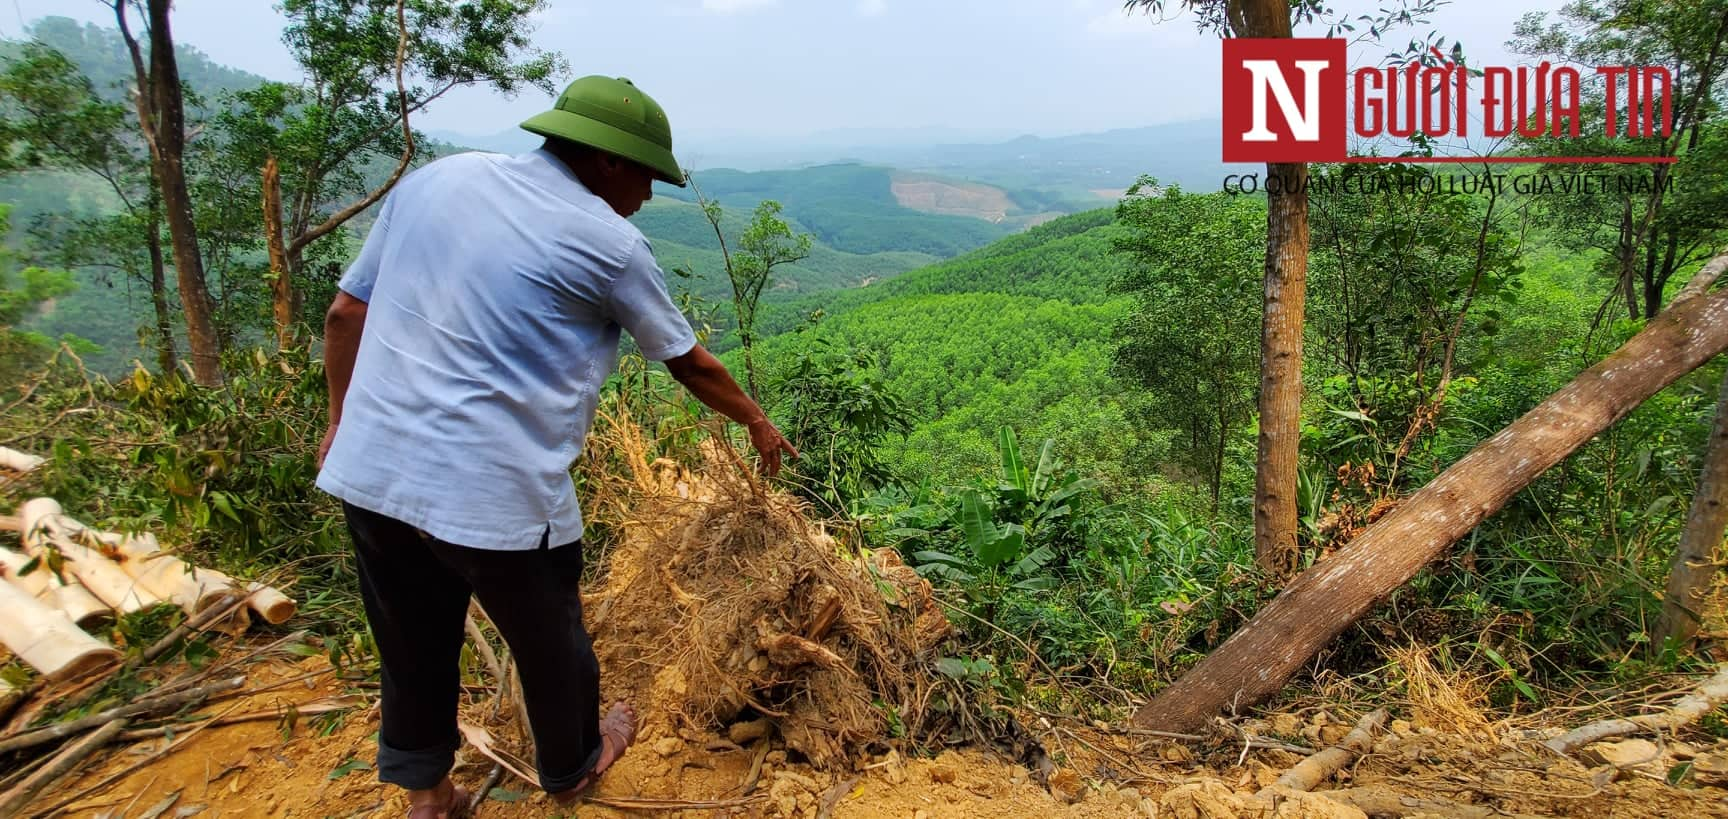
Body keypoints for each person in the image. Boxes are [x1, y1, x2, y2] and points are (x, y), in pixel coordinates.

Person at [315, 75, 797, 819]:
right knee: (552, 638)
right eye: (645, 174)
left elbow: (346, 313)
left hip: (372, 471)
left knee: (410, 640)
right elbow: (689, 361)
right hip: (492, 489)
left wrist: (340, 421)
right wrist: (759, 422)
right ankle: (574, 762)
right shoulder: (610, 243)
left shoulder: (437, 182)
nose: (647, 193)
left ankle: (428, 796)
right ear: (607, 160)